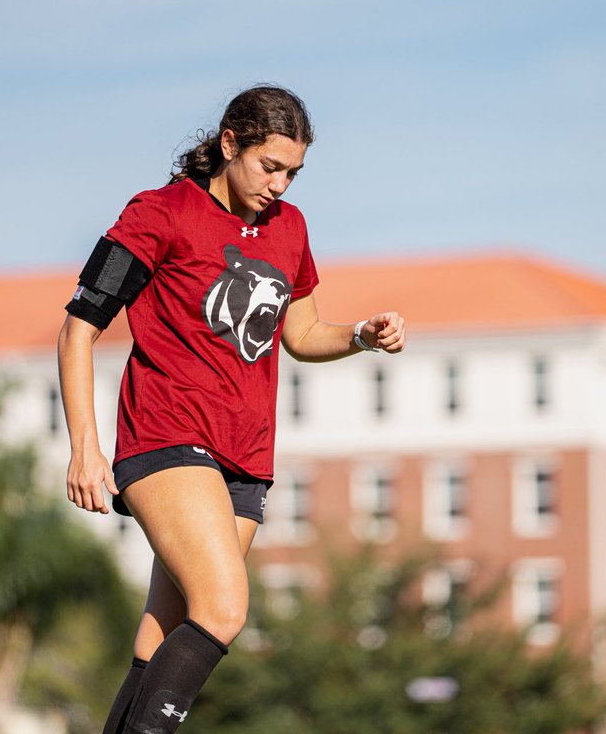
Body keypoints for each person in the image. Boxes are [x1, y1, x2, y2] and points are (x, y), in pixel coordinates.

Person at [56, 84, 406, 734]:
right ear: (229, 145)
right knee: (221, 609)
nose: (281, 183)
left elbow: (301, 336)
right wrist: (84, 445)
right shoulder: (159, 213)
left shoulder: (291, 229)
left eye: (293, 172)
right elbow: (78, 329)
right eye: (270, 166)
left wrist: (360, 334)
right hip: (168, 437)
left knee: (164, 633)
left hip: (247, 456)